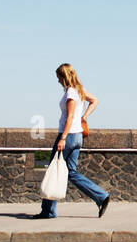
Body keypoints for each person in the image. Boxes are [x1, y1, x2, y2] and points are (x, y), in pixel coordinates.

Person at [35, 63, 110, 219]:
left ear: (64, 76)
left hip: (68, 136)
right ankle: (101, 196)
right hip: (78, 136)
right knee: (71, 172)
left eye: (59, 77)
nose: (58, 81)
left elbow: (69, 117)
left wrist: (62, 138)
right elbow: (95, 100)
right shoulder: (79, 90)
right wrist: (84, 117)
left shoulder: (70, 91)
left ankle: (48, 211)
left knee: (54, 169)